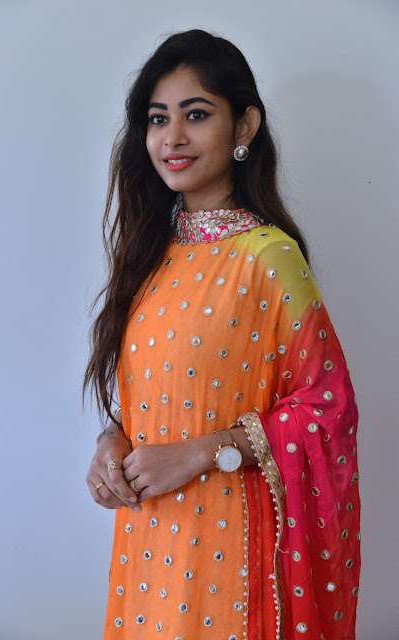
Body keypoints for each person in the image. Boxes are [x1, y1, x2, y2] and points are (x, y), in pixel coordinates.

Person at [84, 29, 361, 640]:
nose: (172, 138)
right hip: (146, 543)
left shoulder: (269, 256)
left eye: (197, 114)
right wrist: (113, 442)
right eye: (159, 119)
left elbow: (327, 408)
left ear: (245, 126)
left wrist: (200, 452)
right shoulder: (149, 256)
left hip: (228, 548)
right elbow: (157, 389)